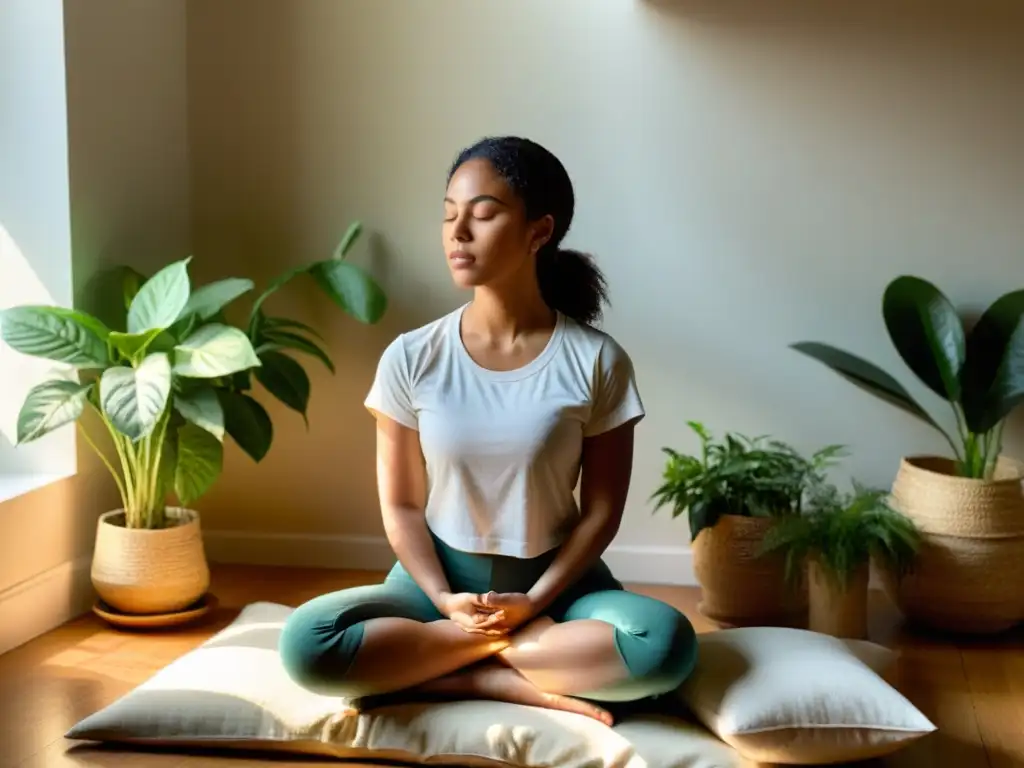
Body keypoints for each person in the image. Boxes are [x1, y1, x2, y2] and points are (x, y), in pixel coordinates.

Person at [278, 136, 697, 725]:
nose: (458, 233)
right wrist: (446, 601)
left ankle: (439, 672)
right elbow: (400, 504)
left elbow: (601, 511)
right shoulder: (411, 356)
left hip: (556, 587)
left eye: (482, 214)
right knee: (307, 644)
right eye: (449, 214)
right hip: (436, 586)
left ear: (538, 231)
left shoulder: (597, 360)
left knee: (665, 645)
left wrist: (533, 603)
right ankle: (506, 678)